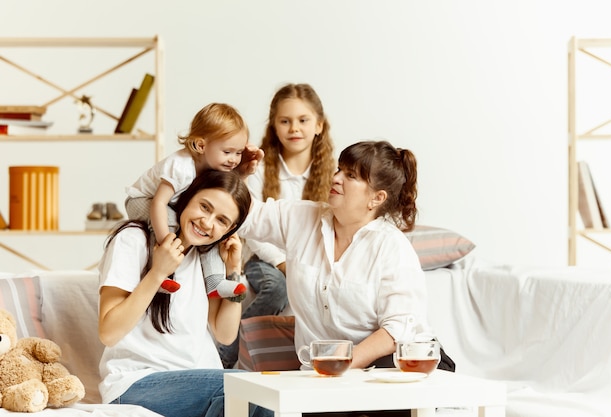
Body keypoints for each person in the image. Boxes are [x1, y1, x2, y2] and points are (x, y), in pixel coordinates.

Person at [238, 140, 453, 370]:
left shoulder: (392, 246)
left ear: (377, 198)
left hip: (403, 365)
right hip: (333, 374)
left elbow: (397, 329)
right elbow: (244, 217)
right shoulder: (301, 218)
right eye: (339, 169)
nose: (336, 177)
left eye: (351, 176)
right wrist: (238, 175)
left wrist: (341, 363)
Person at [98, 169, 270, 417]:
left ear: (230, 230)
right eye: (204, 207)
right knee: (247, 389)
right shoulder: (133, 240)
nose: (207, 223)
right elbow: (109, 332)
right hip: (136, 383)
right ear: (187, 198)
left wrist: (234, 269)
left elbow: (225, 333)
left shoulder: (206, 257)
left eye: (222, 220)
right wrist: (158, 273)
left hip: (202, 379)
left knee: (263, 396)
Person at [218, 83, 336, 369]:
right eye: (285, 121)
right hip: (265, 259)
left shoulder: (332, 173)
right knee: (276, 289)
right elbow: (251, 225)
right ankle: (228, 350)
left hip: (309, 257)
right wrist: (284, 263)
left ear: (319, 125)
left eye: (303, 120)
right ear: (274, 126)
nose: (294, 128)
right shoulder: (259, 169)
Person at [125, 103, 264, 299]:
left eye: (238, 152)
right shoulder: (180, 167)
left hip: (172, 204)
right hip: (141, 199)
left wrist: (243, 173)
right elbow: (158, 203)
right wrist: (167, 240)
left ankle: (215, 281)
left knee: (213, 230)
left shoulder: (214, 165)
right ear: (201, 146)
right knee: (171, 221)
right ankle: (159, 274)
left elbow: (230, 199)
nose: (234, 159)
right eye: (227, 152)